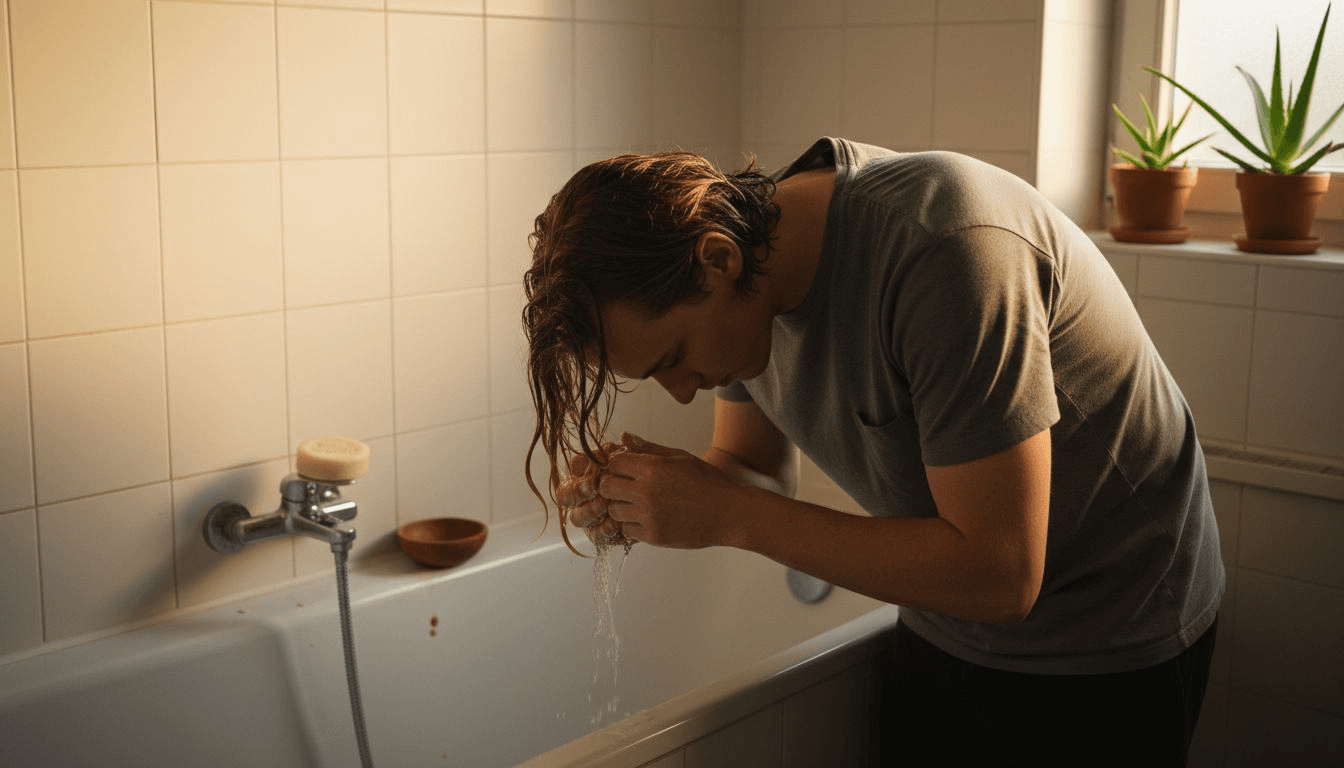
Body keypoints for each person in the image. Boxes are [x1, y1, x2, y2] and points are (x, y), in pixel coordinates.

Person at [522, 137, 1225, 766]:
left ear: (717, 259)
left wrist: (729, 513)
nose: (680, 393)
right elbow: (752, 471)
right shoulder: (745, 297)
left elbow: (1002, 575)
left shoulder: (945, 249)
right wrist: (656, 493)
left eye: (674, 357)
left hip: (1110, 632)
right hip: (944, 616)